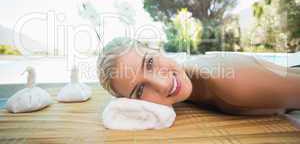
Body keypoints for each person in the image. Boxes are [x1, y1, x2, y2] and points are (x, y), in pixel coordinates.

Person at [97, 37, 300, 115]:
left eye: (149, 63)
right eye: (140, 90)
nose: (162, 84)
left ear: (155, 49)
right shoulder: (189, 81)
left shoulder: (230, 82)